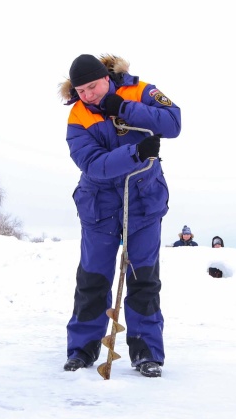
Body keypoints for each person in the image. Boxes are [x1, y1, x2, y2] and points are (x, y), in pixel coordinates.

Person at [59, 54, 181, 378]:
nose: (88, 95)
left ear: (106, 78)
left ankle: (146, 353)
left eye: (93, 87)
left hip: (144, 203)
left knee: (144, 279)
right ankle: (82, 350)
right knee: (92, 280)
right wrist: (136, 153)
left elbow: (173, 123)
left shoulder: (140, 91)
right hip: (99, 207)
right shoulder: (78, 116)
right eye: (81, 90)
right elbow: (92, 164)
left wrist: (124, 108)